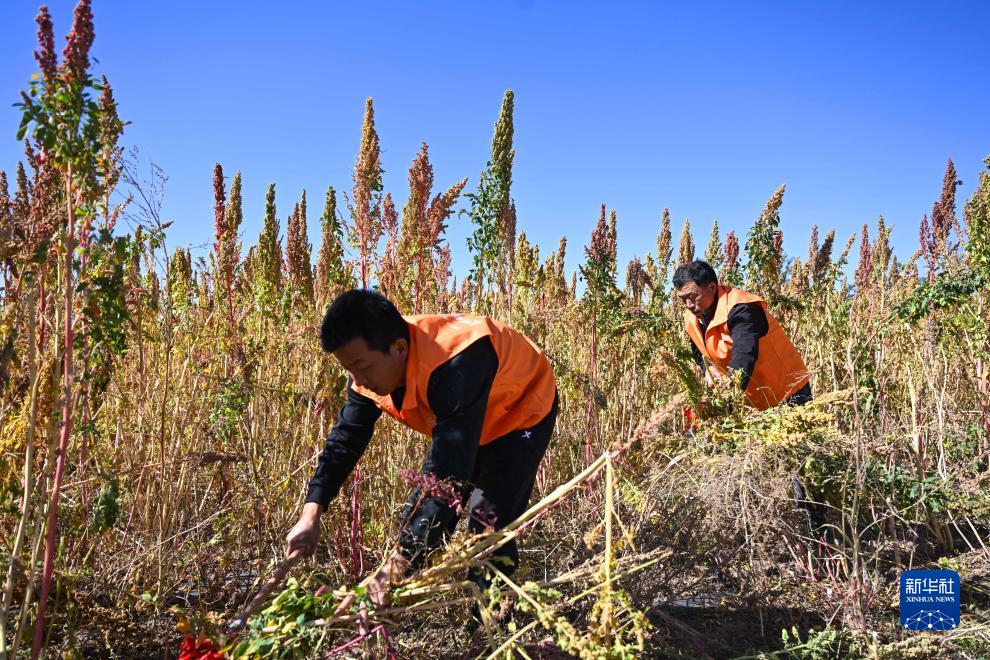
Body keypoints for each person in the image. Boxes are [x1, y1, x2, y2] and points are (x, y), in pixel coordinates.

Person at [285, 289, 558, 607]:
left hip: (521, 411)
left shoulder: (454, 364)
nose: (358, 379)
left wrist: (392, 569)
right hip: (470, 414)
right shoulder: (368, 372)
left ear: (399, 348)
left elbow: (446, 474)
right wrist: (311, 513)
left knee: (486, 522)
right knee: (427, 525)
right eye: (350, 369)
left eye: (363, 366)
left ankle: (492, 628)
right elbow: (344, 441)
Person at [672, 260, 812, 409]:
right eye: (683, 299)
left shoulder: (742, 309)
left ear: (712, 287)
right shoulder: (692, 317)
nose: (688, 305)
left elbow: (744, 355)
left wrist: (728, 398)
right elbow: (699, 349)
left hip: (787, 392)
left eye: (692, 297)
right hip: (751, 397)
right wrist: (708, 369)